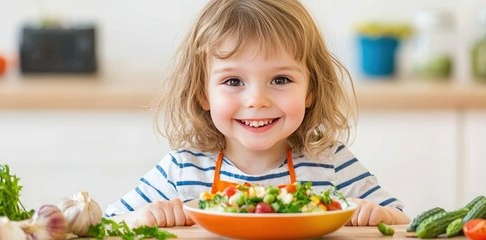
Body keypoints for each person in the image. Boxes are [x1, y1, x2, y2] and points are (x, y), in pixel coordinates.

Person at [106, 0, 410, 227]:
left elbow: (402, 222)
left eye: (280, 80)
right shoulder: (182, 170)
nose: (256, 100)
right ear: (202, 92)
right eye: (233, 81)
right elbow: (108, 225)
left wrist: (378, 214)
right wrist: (140, 218)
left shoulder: (330, 163)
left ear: (311, 90)